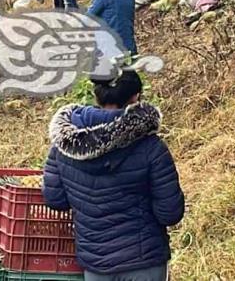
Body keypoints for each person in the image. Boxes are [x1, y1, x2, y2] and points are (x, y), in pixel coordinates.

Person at [42, 70, 185, 281]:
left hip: (96, 264)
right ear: (136, 97)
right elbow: (170, 213)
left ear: (96, 95)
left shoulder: (64, 146)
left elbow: (56, 200)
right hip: (144, 261)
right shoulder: (151, 148)